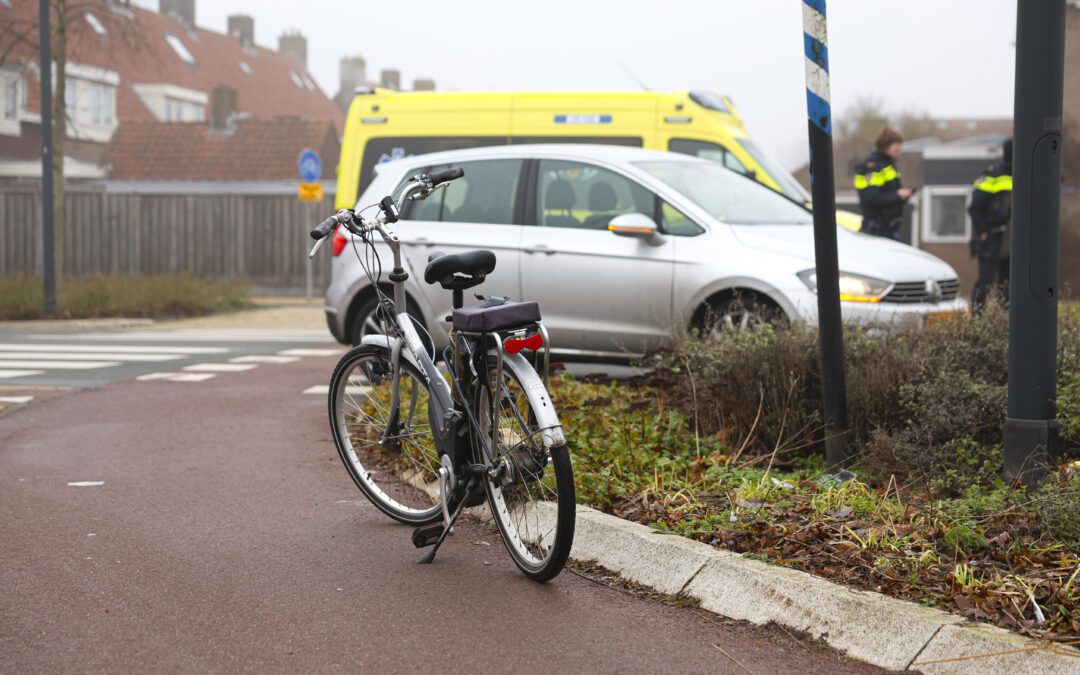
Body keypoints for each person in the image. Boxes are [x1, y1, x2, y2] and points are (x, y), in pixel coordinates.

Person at [968, 138, 1013, 308]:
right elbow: (974, 208)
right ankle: (977, 320)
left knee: (1008, 284)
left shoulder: (1024, 172)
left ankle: (1005, 324)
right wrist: (982, 232)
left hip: (1011, 240)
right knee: (985, 283)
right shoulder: (991, 174)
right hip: (991, 237)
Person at [853, 126, 916, 241]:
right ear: (885, 148)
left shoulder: (888, 166)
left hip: (889, 230)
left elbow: (889, 194)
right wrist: (898, 195)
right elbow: (872, 199)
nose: (899, 153)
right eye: (896, 150)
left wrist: (902, 196)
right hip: (876, 231)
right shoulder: (871, 167)